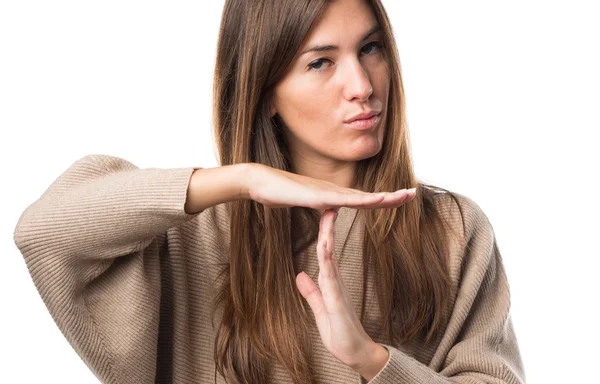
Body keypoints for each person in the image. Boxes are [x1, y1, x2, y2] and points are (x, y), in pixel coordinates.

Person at [12, 0, 526, 383]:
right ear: (265, 94)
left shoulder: (451, 229)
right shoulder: (196, 234)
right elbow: (44, 231)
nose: (362, 84)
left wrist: (373, 361)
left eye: (370, 48)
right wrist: (243, 179)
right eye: (321, 62)